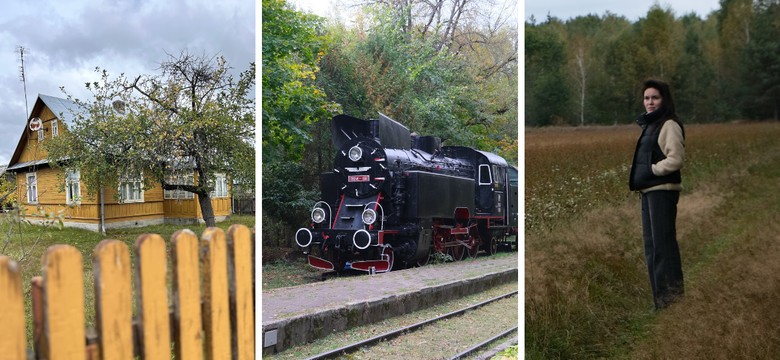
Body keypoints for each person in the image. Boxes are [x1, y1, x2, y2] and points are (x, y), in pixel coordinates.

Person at [629, 79, 685, 310]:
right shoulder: (652, 125)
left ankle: (672, 303)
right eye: (647, 98)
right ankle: (661, 302)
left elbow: (676, 158)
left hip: (662, 192)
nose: (650, 102)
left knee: (664, 248)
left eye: (655, 97)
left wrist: (651, 170)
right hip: (649, 192)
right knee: (652, 249)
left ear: (664, 100)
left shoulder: (669, 124)